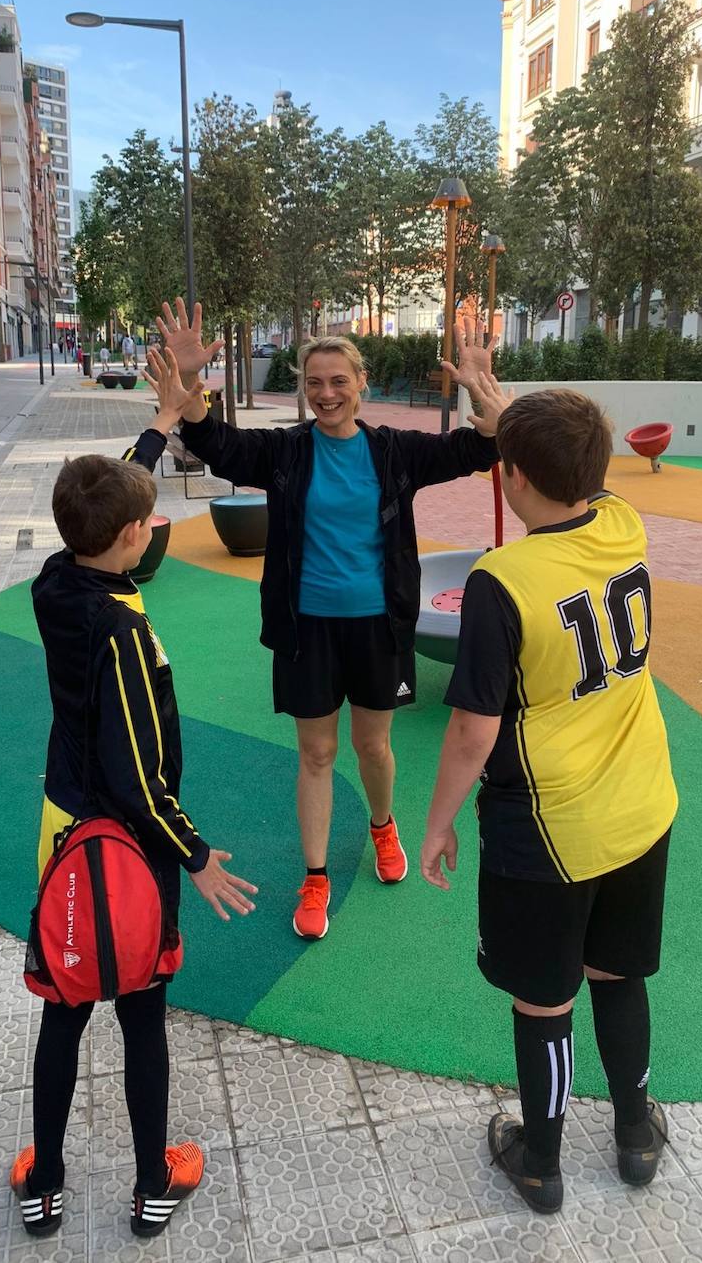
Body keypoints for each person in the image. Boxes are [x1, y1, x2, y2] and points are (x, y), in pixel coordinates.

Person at [159, 297, 505, 941]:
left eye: (338, 382)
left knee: (373, 744)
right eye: (313, 383)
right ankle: (315, 877)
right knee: (316, 752)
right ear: (302, 389)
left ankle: (383, 827)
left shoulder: (394, 452)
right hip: (306, 628)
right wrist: (190, 387)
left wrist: (483, 390)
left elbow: (475, 450)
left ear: (361, 385)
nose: (325, 393)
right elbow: (220, 445)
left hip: (379, 626)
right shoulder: (286, 452)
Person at [11, 343, 258, 1240]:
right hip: (125, 851)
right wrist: (192, 854)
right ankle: (154, 1184)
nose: (154, 528)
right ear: (127, 540)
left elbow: (112, 495)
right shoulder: (121, 634)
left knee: (65, 1007)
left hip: (60, 827)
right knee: (142, 1015)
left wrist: (160, 425)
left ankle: (43, 1184)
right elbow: (140, 772)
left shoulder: (55, 579)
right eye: (147, 524)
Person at [420, 389, 677, 1215]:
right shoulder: (623, 524)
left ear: (508, 476)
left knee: (545, 997)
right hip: (641, 804)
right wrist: (516, 419)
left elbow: (470, 732)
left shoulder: (503, 579)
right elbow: (581, 476)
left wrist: (436, 823)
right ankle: (635, 1136)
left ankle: (541, 1161)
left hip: (549, 825)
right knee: (619, 972)